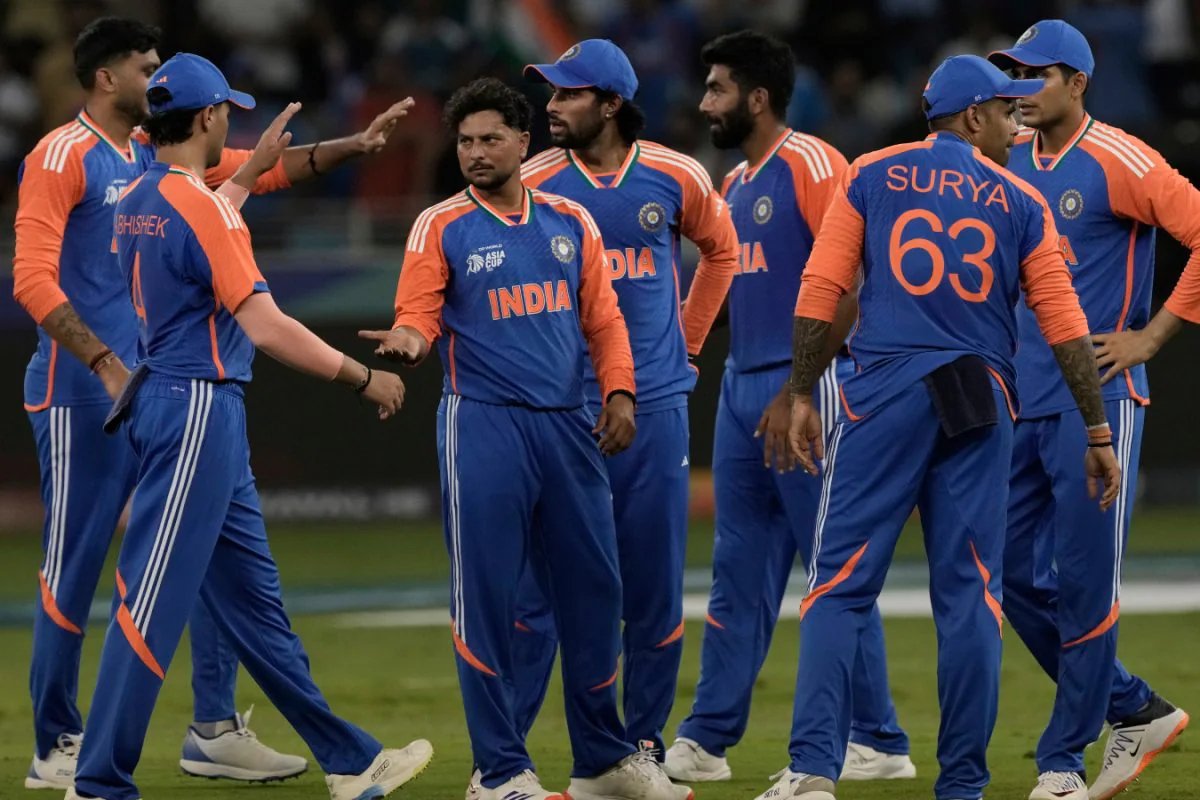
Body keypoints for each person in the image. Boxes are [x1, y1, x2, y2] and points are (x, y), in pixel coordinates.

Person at [11, 16, 413, 789]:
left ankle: (255, 737)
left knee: (232, 584)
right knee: (96, 574)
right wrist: (102, 362)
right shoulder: (64, 156)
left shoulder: (144, 170)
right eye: (145, 65)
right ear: (108, 77)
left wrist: (350, 147)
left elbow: (237, 182)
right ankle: (69, 750)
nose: (154, 75)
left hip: (160, 389)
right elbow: (33, 278)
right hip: (104, 388)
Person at [781, 55, 1121, 800]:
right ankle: (962, 786)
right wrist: (1098, 431)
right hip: (979, 396)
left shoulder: (869, 173)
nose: (1016, 126)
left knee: (838, 586)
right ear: (972, 117)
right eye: (1005, 112)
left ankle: (811, 773)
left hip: (882, 393)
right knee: (972, 596)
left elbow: (822, 285)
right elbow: (1065, 324)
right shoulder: (1021, 198)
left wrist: (802, 390)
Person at [360, 77, 686, 800]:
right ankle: (499, 770)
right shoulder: (441, 224)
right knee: (488, 600)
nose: (476, 153)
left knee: (597, 592)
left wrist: (621, 391)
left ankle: (602, 762)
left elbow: (604, 319)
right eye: (465, 142)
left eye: (490, 139)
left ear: (522, 142)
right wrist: (410, 341)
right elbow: (418, 312)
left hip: (569, 425)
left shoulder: (570, 219)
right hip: (484, 424)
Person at [663, 30, 914, 789]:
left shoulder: (815, 164)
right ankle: (708, 737)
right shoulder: (735, 182)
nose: (705, 102)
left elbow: (854, 288)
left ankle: (878, 738)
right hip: (742, 385)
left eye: (717, 88)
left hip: (808, 390)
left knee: (832, 568)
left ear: (758, 97)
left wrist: (797, 388)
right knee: (737, 568)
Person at [493, 38, 737, 783]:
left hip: (654, 406)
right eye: (551, 92)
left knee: (653, 587)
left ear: (610, 104)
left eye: (568, 94)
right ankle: (505, 763)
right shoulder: (534, 180)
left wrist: (684, 347)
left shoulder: (675, 174)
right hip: (564, 410)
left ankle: (641, 749)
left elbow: (723, 251)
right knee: (540, 593)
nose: (551, 106)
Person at [987, 20, 1194, 800]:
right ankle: (1133, 707)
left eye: (1036, 74)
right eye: (1012, 74)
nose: (1020, 89)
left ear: (1077, 82)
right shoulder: (1006, 159)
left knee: (1083, 584)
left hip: (1098, 397)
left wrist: (1151, 336)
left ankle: (1061, 762)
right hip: (1022, 398)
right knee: (1009, 574)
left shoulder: (1121, 158)